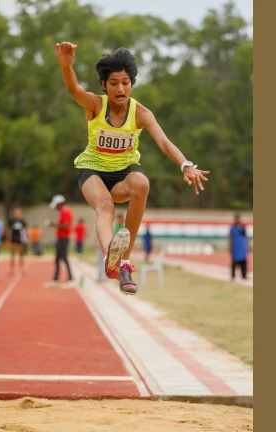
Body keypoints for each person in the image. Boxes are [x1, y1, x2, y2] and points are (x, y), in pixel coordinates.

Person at [56, 41, 210, 295]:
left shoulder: (140, 113)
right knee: (105, 206)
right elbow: (73, 88)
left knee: (141, 182)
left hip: (120, 177)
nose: (120, 88)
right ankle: (110, 257)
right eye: (114, 82)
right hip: (92, 171)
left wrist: (185, 164)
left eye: (125, 82)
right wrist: (66, 65)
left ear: (132, 84)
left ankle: (123, 260)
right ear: (104, 85)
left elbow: (163, 141)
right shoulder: (96, 105)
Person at [43, 194, 74, 287]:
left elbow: (65, 226)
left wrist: (53, 224)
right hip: (61, 237)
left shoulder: (65, 211)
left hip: (63, 237)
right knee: (58, 259)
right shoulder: (63, 211)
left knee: (63, 258)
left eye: (56, 205)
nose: (55, 208)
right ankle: (56, 279)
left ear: (59, 204)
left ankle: (71, 279)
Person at [7, 207, 28, 276]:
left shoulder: (22, 221)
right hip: (13, 239)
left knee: (21, 255)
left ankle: (22, 269)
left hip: (20, 239)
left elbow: (25, 230)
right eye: (16, 213)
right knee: (12, 254)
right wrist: (9, 240)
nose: (17, 214)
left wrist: (26, 238)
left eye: (18, 213)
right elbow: (9, 231)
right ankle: (11, 269)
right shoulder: (11, 221)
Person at [229, 213, 249, 281]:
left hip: (242, 246)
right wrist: (230, 246)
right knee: (234, 261)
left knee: (243, 261)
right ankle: (233, 275)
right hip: (236, 246)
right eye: (237, 218)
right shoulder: (232, 228)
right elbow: (230, 237)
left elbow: (246, 237)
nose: (238, 220)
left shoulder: (243, 227)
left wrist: (247, 244)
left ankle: (244, 275)